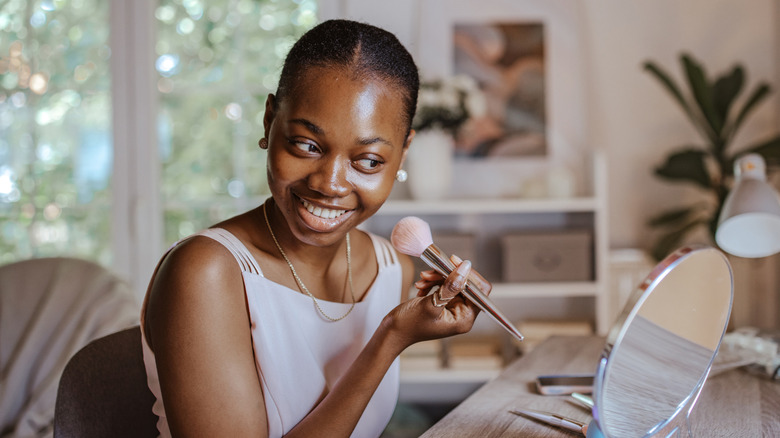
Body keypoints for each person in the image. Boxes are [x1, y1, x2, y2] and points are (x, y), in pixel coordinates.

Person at [140, 19, 492, 438]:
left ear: (402, 154)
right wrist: (391, 338)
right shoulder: (206, 273)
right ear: (269, 121)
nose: (329, 183)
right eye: (307, 145)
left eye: (368, 161)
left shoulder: (392, 268)